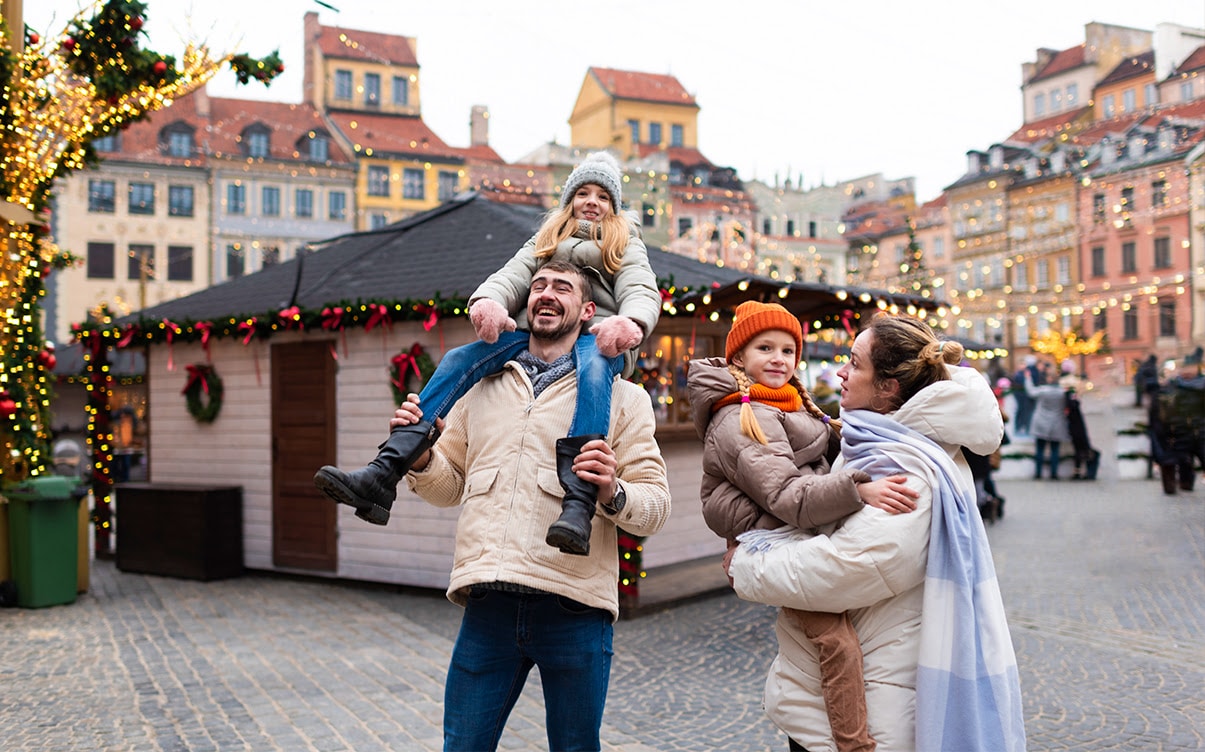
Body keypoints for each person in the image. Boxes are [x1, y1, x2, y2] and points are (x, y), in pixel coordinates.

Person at [314, 151, 661, 556]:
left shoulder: (625, 244)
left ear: (614, 207)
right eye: (582, 192)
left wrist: (631, 323)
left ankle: (578, 501)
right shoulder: (546, 241)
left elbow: (640, 288)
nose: (592, 202)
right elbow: (510, 276)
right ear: (568, 202)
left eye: (603, 196)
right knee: (461, 357)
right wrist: (490, 302)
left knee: (596, 372)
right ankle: (384, 471)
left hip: (600, 337)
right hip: (536, 333)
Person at [390, 261, 671, 751]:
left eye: (562, 287)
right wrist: (421, 459)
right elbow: (448, 487)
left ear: (587, 311)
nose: (546, 294)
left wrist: (612, 491)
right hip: (487, 606)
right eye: (538, 285)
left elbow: (656, 506)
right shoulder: (479, 388)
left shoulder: (624, 399)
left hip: (574, 606)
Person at [724, 314, 1025, 752]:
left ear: (888, 388)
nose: (841, 372)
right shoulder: (882, 443)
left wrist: (747, 562)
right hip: (845, 689)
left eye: (854, 363)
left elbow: (844, 569)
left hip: (870, 701)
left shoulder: (907, 469)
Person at [687, 301, 918, 752]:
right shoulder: (741, 415)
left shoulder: (791, 404)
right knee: (836, 643)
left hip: (790, 533)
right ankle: (854, 745)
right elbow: (785, 496)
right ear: (739, 358)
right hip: (768, 539)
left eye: (788, 350)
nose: (778, 358)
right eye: (764, 348)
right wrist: (858, 490)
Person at [1025, 360, 1071, 480]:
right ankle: (1054, 473)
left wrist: (1028, 379)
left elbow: (1030, 392)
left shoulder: (1043, 390)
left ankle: (1038, 473)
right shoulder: (1062, 393)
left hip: (1041, 422)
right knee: (1055, 450)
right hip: (1057, 423)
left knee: (1040, 449)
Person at [1061, 363, 1099, 481]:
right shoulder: (1075, 399)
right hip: (1080, 428)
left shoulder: (1070, 399)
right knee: (1082, 450)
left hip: (1077, 428)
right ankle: (1084, 472)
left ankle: (1081, 472)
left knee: (1081, 450)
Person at [1010, 355, 1040, 437]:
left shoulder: (1027, 372)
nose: (1023, 366)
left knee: (1026, 412)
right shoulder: (1019, 374)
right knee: (1021, 411)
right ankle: (1019, 427)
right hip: (1021, 396)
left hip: (1025, 396)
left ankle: (1024, 427)